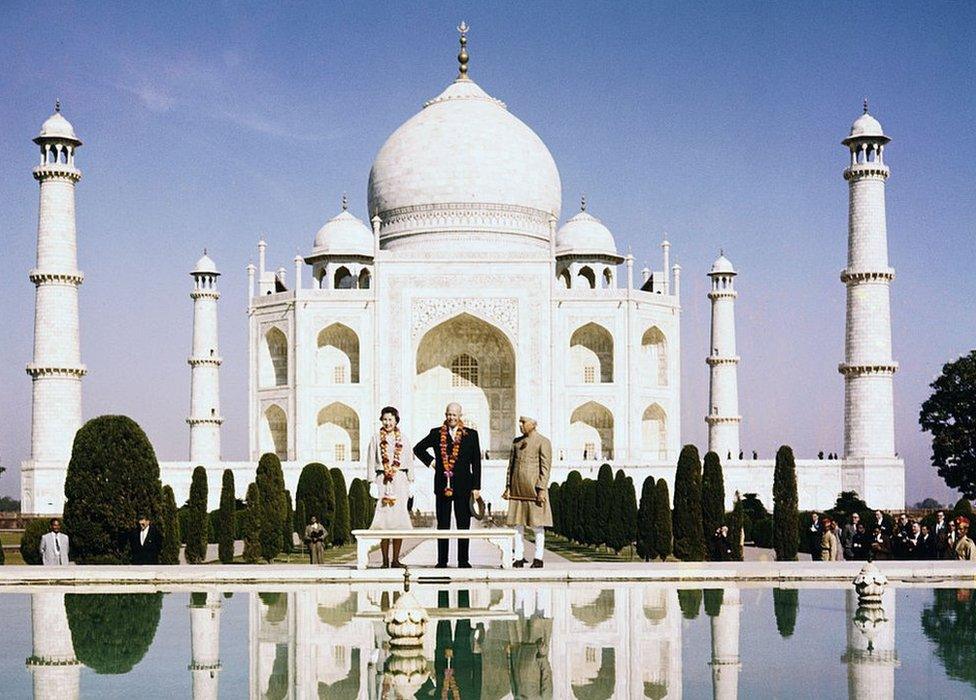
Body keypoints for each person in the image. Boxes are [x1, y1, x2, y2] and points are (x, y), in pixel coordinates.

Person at [414, 402, 482, 568]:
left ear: (460, 416)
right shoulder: (437, 433)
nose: (451, 417)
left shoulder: (471, 434)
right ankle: (442, 561)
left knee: (463, 523)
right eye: (449, 414)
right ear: (445, 415)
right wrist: (432, 462)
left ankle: (463, 560)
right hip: (443, 485)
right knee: (443, 524)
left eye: (454, 415)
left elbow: (476, 463)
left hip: (464, 485)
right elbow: (418, 448)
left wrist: (476, 487)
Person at [367, 406, 414, 568]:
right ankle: (385, 560)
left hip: (399, 478)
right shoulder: (376, 438)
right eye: (385, 419)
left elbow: (409, 460)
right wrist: (371, 481)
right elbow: (371, 460)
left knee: (398, 520)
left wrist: (411, 481)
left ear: (396, 420)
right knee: (384, 520)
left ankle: (395, 559)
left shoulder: (403, 438)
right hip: (382, 479)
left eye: (390, 419)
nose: (387, 423)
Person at [503, 416, 552, 568]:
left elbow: (545, 467)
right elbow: (510, 466)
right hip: (517, 489)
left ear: (534, 423)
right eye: (520, 422)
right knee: (518, 525)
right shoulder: (516, 442)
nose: (521, 425)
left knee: (537, 525)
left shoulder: (543, 442)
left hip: (534, 490)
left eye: (524, 422)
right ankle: (518, 557)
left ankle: (538, 558)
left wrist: (541, 488)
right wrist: (508, 487)